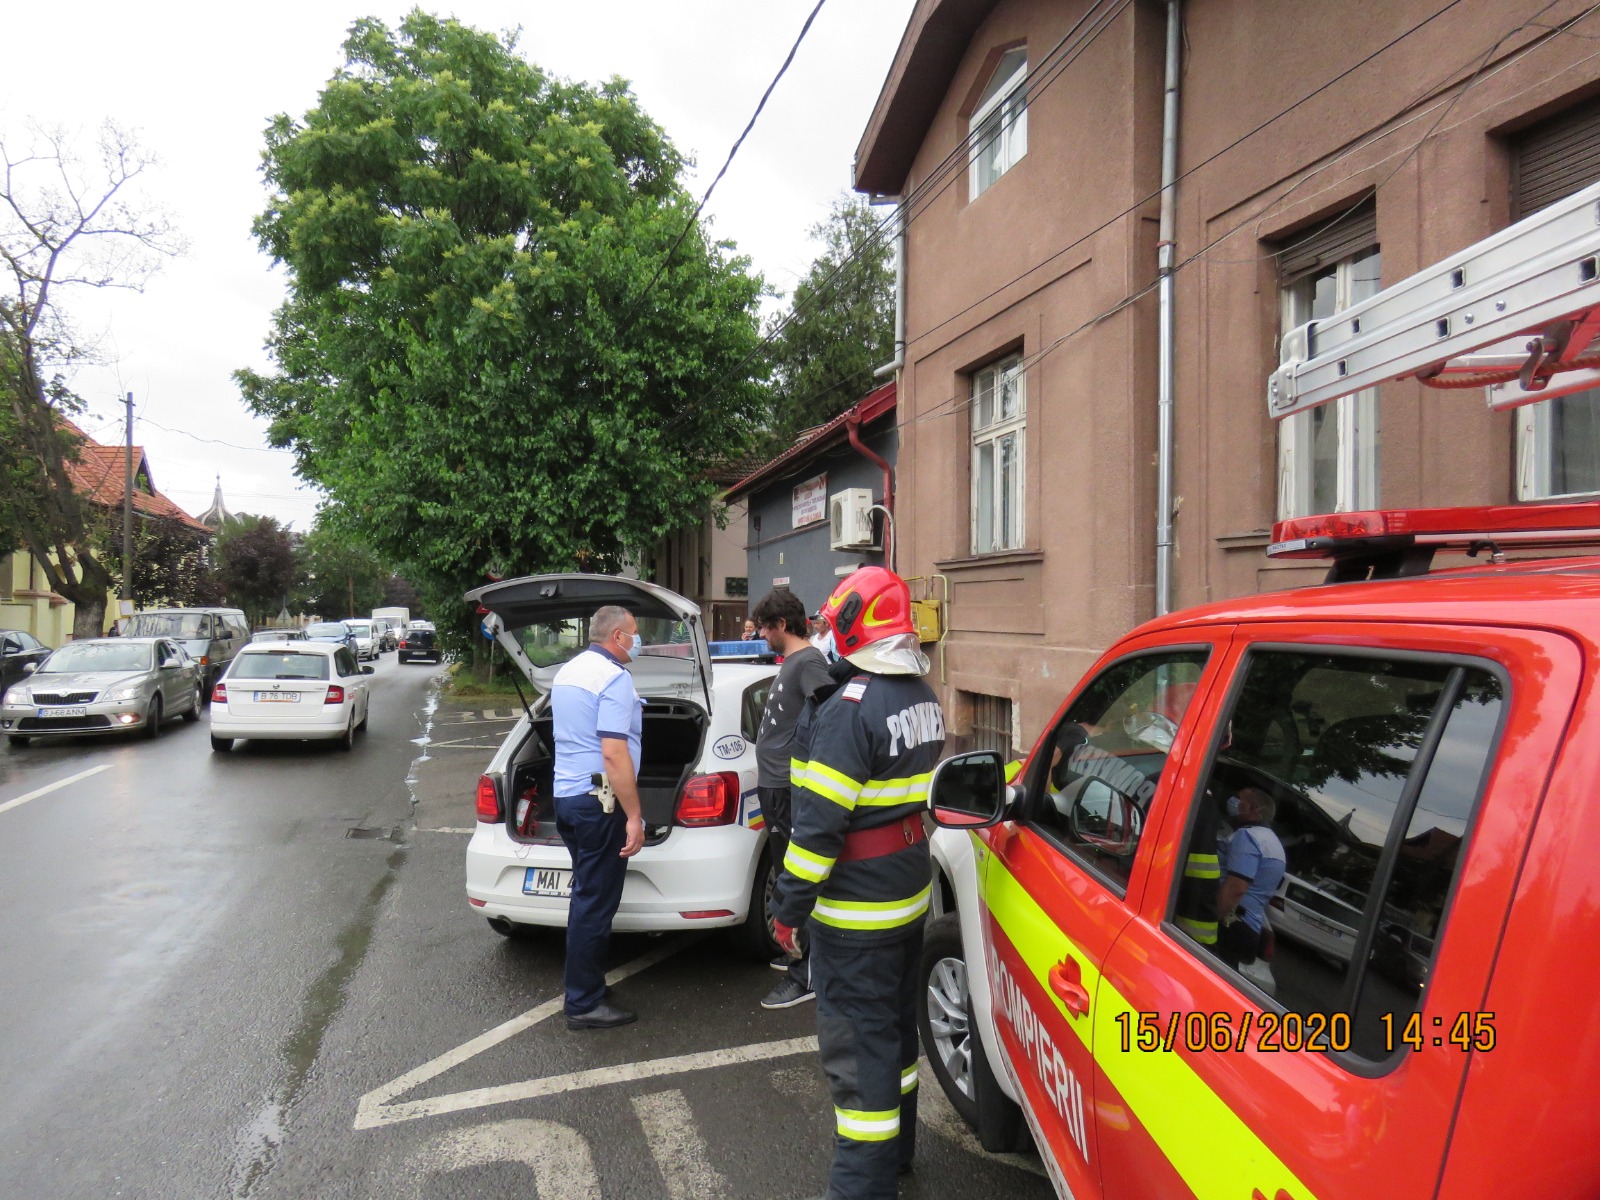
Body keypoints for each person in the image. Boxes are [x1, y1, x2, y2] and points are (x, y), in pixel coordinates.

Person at [770, 566, 944, 1198]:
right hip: (906, 897)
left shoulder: (849, 710)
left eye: (830, 620)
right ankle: (897, 1156)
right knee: (895, 1039)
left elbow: (816, 831)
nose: (824, 633)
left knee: (858, 1057)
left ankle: (859, 1188)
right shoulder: (922, 693)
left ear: (853, 623)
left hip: (855, 915)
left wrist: (788, 912)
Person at [549, 605, 647, 1030]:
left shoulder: (569, 671)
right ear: (618, 637)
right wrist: (635, 816)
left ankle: (586, 984)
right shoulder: (614, 678)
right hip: (599, 802)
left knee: (587, 897)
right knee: (595, 902)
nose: (638, 641)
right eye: (636, 634)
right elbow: (613, 751)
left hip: (567, 798)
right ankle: (584, 1003)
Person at [749, 588, 834, 1010]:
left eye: (765, 627)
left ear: (782, 625)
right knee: (786, 873)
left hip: (788, 786)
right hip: (776, 784)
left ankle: (807, 976)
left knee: (795, 877)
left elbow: (830, 715)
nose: (761, 634)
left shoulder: (809, 662)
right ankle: (796, 953)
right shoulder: (794, 662)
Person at [1216, 786, 1287, 968]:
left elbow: (1236, 888)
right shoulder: (1272, 842)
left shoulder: (1247, 836)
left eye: (1241, 800)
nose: (1235, 803)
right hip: (1249, 928)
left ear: (1254, 809)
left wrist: (1211, 917)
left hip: (1231, 924)